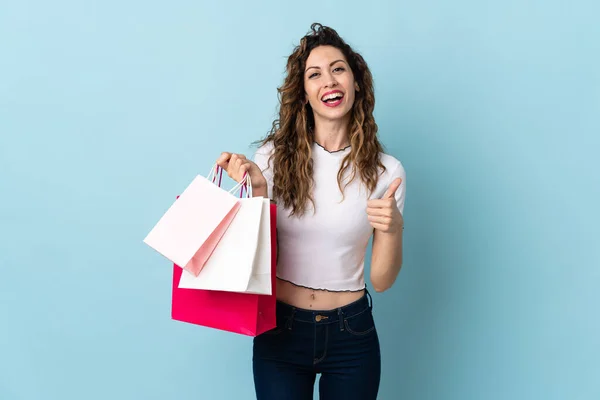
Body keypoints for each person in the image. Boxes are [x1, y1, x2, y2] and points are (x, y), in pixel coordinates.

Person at [216, 23, 406, 400]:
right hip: (280, 330)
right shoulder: (271, 157)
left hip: (351, 333)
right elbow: (257, 259)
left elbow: (381, 281)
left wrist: (393, 228)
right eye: (314, 74)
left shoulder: (388, 172)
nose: (328, 82)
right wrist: (256, 191)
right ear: (303, 94)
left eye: (338, 69)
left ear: (355, 83)